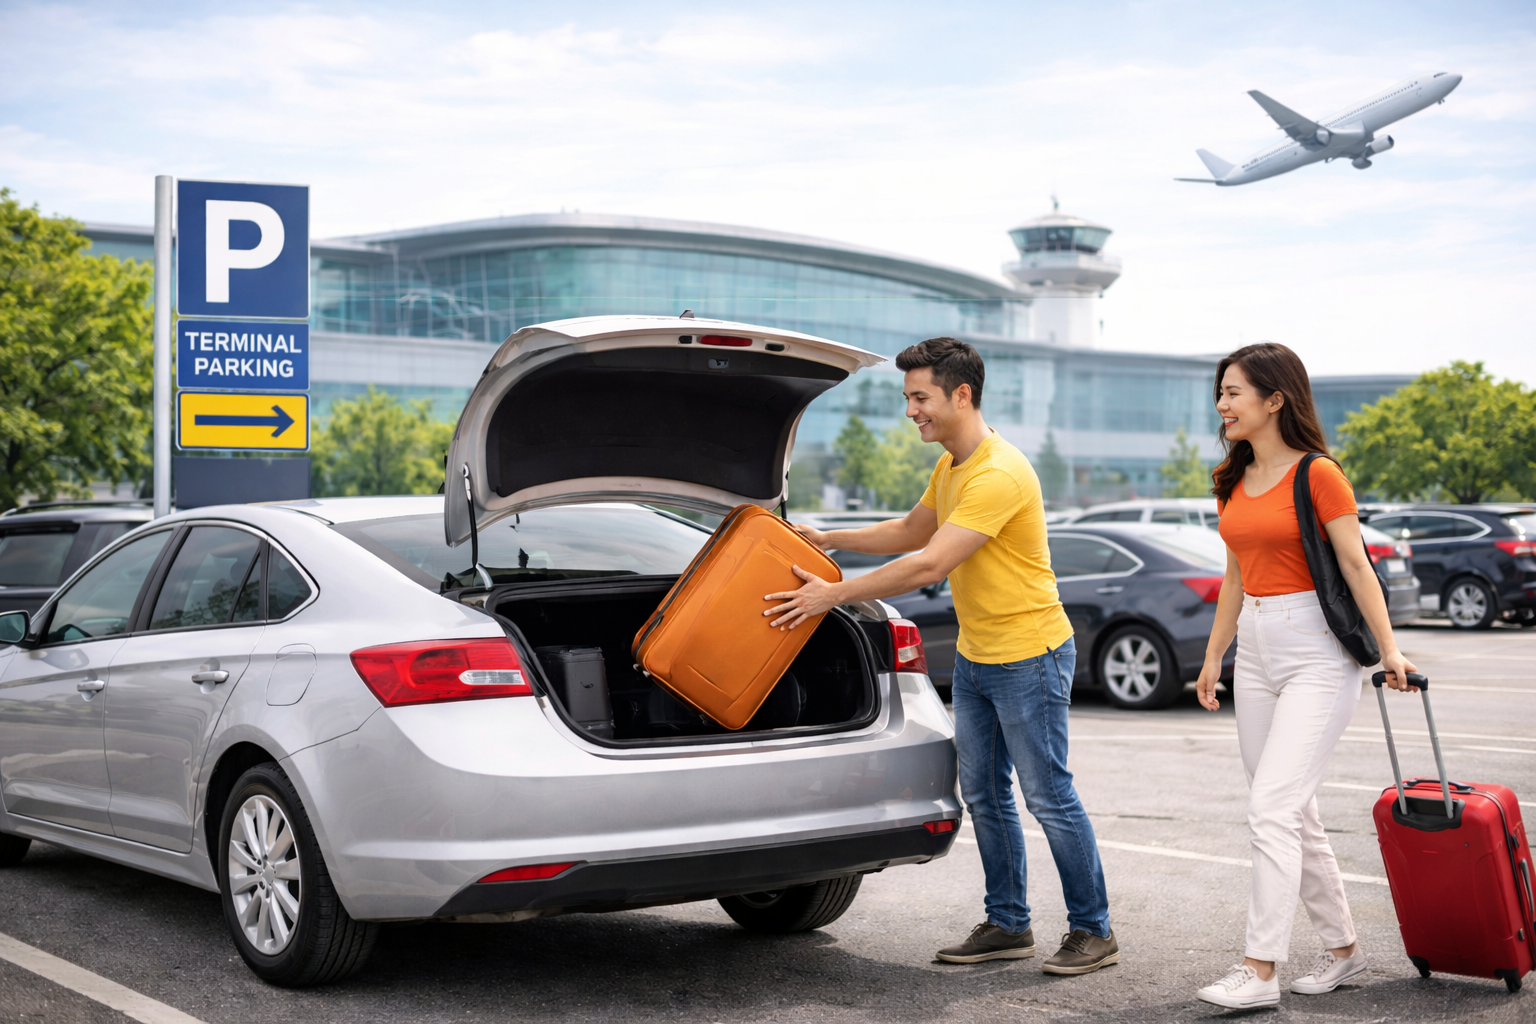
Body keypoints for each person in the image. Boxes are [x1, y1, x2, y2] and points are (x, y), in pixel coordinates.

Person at [764, 336, 1116, 975]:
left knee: (1048, 796)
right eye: (908, 398)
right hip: (979, 656)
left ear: (961, 395)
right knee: (985, 796)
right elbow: (910, 531)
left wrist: (831, 595)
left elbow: (929, 563)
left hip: (1030, 656)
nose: (911, 412)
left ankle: (1094, 930)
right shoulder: (951, 465)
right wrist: (828, 537)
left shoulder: (998, 472)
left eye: (920, 398)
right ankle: (1008, 923)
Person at [1192, 343, 1417, 1009]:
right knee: (1293, 810)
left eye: (1233, 392)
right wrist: (1214, 656)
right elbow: (1235, 576)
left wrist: (1390, 650)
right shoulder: (1232, 478)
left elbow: (1355, 565)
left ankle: (1259, 968)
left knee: (1271, 809)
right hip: (1256, 646)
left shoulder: (1319, 475)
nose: (1222, 404)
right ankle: (1343, 949)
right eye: (1220, 392)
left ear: (1275, 399)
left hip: (1316, 649)